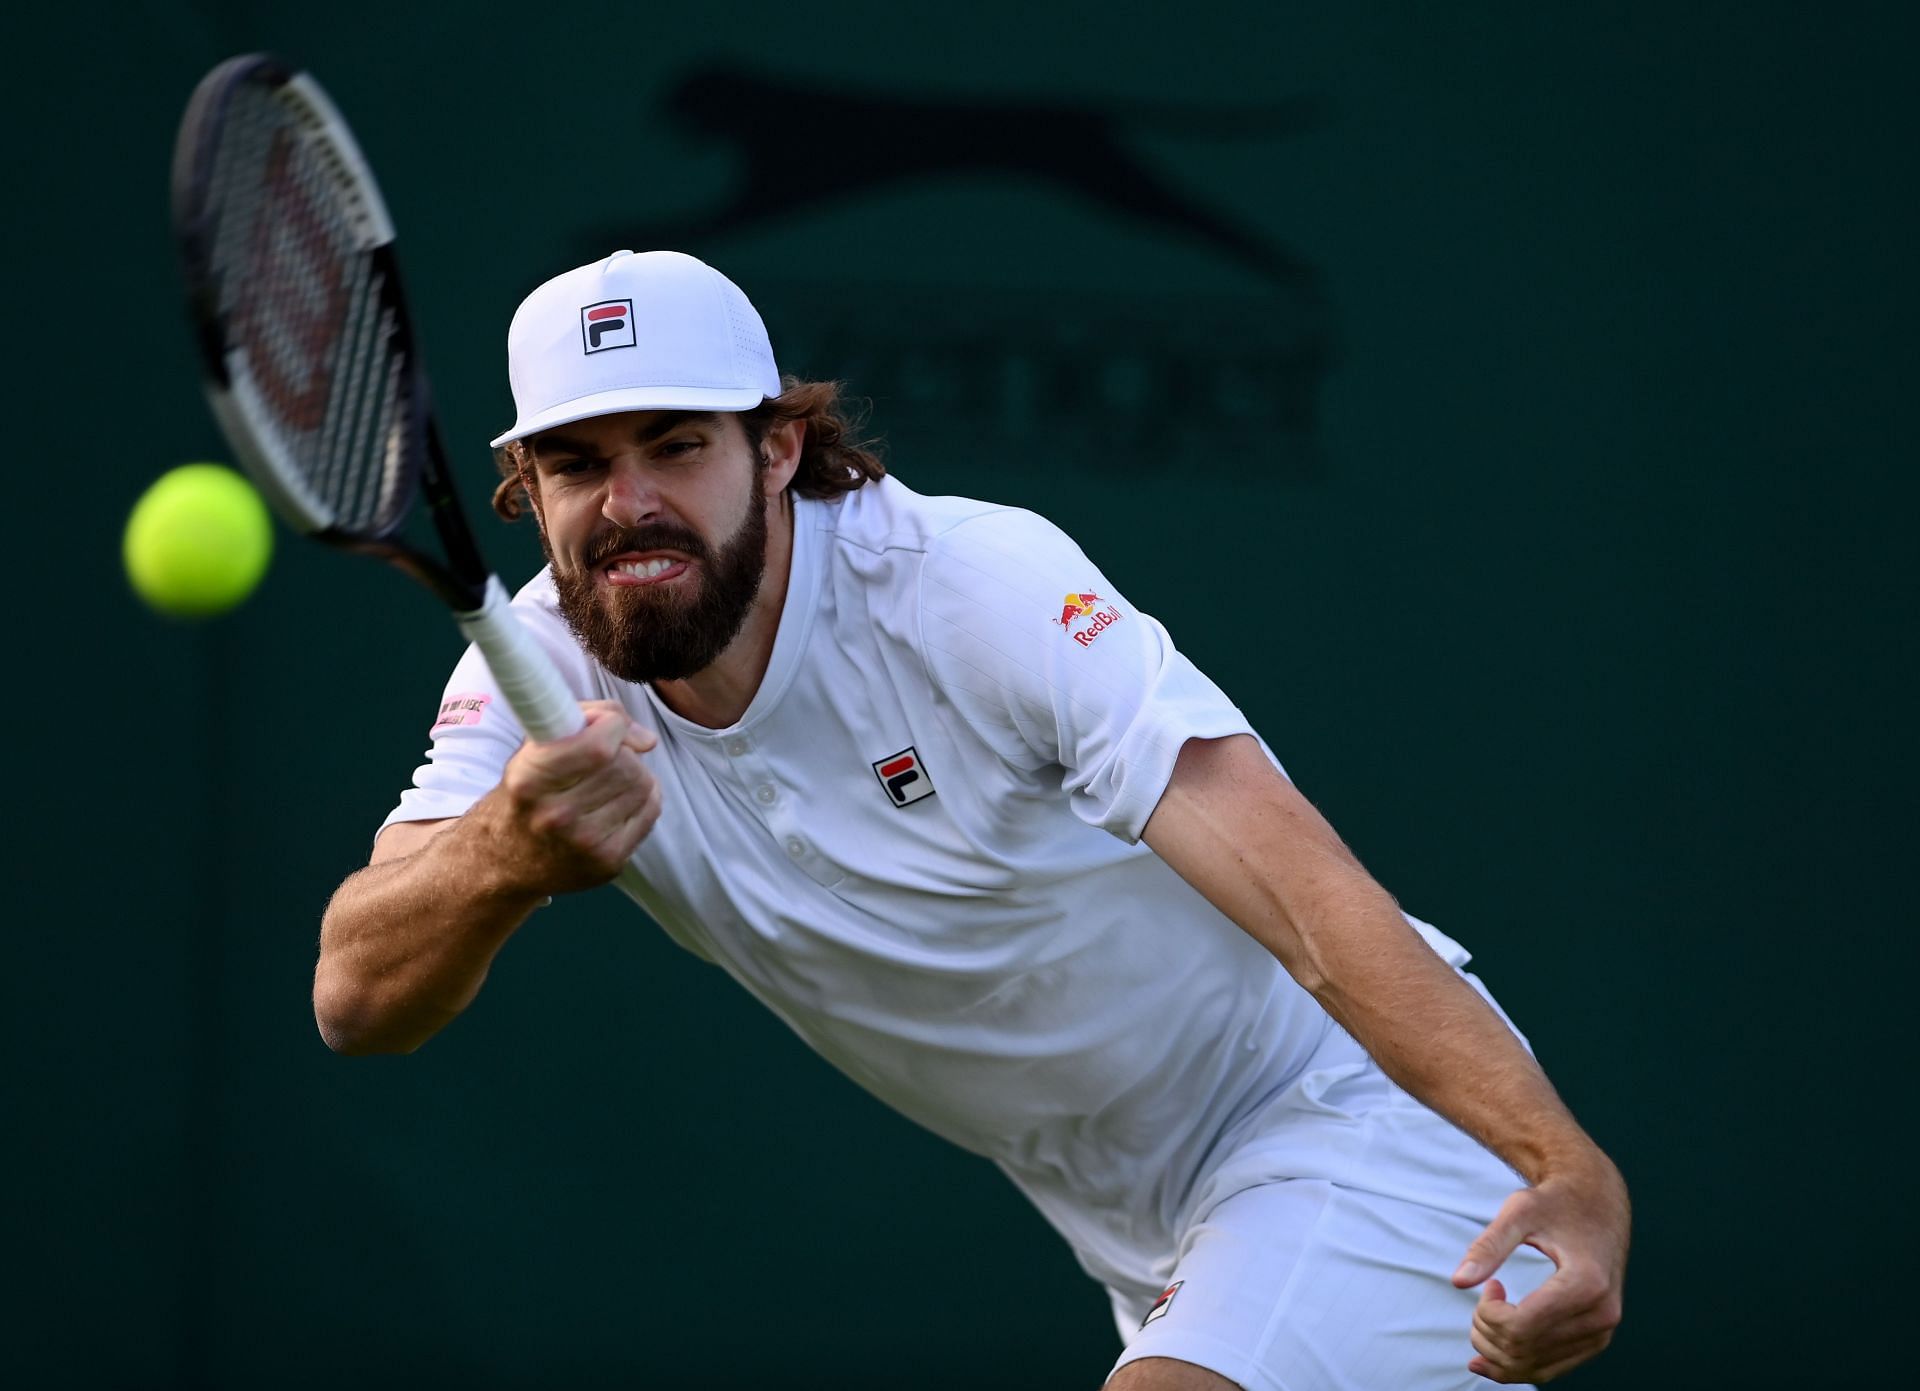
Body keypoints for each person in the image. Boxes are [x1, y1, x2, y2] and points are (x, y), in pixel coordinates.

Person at [315, 249, 1629, 1389]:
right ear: (526, 491)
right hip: (1149, 1241)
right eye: (580, 462)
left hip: (1355, 1120)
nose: (632, 501)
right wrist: (505, 856)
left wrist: (1556, 1158)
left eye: (678, 444)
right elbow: (358, 999)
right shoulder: (531, 678)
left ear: (774, 450)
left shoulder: (969, 592)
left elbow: (1305, 895)